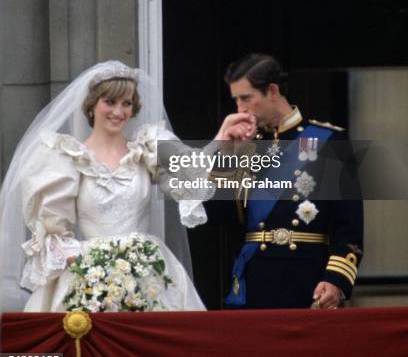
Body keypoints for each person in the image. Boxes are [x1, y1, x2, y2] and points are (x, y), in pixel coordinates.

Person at [0, 61, 214, 312]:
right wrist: (90, 268)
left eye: (127, 103)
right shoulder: (67, 158)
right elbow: (52, 232)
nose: (118, 111)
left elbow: (192, 174)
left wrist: (221, 139)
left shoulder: (146, 150)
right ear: (92, 106)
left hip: (148, 271)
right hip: (89, 277)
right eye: (110, 102)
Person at [214, 53, 363, 310]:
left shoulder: (327, 141)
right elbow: (220, 219)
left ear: (272, 91)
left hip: (307, 281)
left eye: (246, 98)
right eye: (236, 100)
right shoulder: (244, 147)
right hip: (254, 283)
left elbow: (348, 224)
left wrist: (336, 279)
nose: (240, 109)